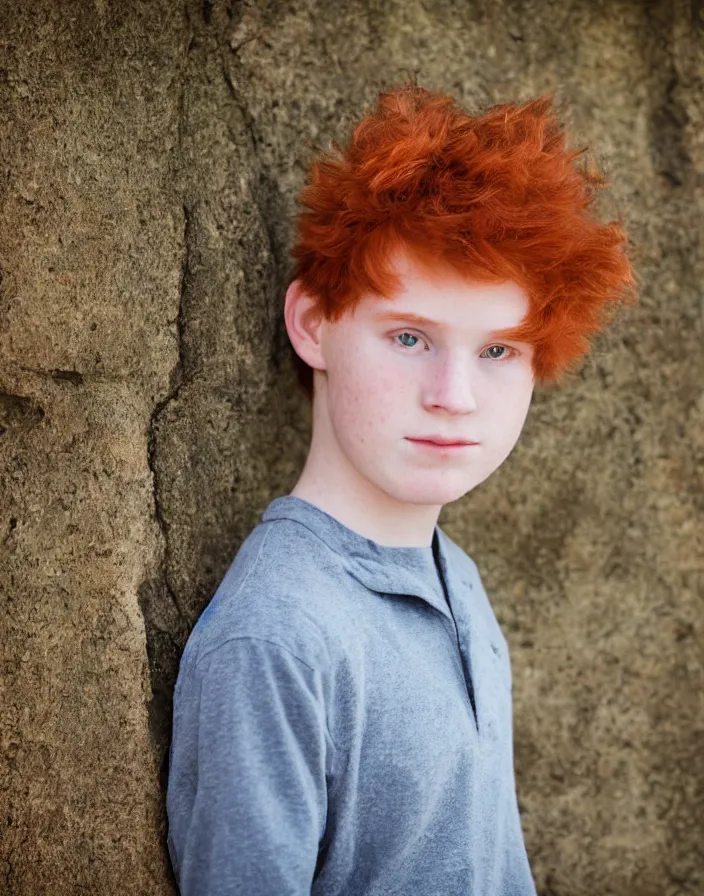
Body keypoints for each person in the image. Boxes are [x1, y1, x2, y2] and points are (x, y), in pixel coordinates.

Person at [165, 84, 634, 895]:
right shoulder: (275, 638)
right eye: (410, 336)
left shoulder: (459, 579)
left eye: (499, 352)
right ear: (313, 323)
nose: (454, 393)